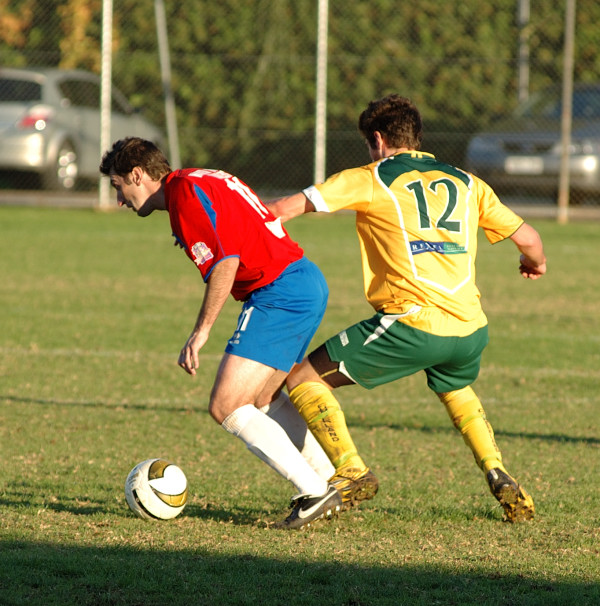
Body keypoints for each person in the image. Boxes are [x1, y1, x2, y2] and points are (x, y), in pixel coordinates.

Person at [265, 93, 547, 527]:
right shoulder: (466, 181)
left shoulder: (373, 176)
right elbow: (528, 237)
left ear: (377, 139)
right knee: (455, 388)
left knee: (302, 378)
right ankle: (497, 470)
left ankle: (351, 471)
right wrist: (534, 263)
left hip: (411, 323)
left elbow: (283, 210)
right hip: (470, 328)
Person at [99, 137, 339, 529]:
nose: (120, 200)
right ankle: (329, 479)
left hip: (279, 292)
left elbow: (226, 260)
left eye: (118, 187)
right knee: (263, 399)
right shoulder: (197, 179)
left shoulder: (185, 194)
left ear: (137, 174)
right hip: (303, 281)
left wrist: (201, 331)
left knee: (226, 405)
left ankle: (313, 491)